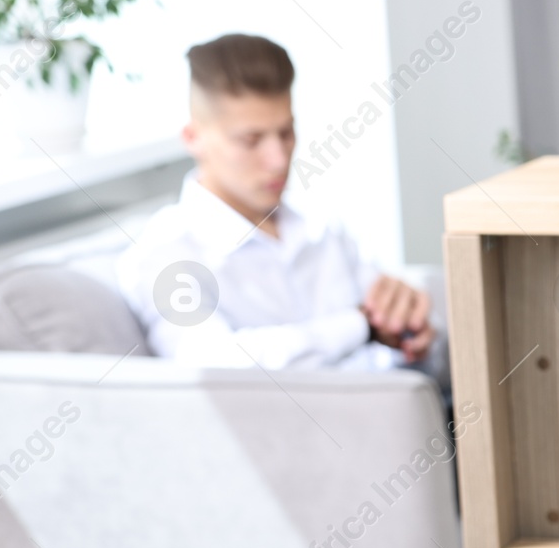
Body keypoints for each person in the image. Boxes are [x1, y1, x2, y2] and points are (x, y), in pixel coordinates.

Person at [116, 34, 438, 372]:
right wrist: (360, 327)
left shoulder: (323, 230)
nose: (278, 159)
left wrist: (409, 327)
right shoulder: (165, 255)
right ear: (193, 138)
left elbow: (402, 337)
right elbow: (215, 367)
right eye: (251, 140)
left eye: (286, 134)